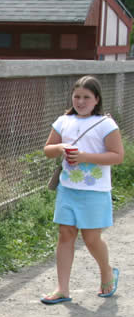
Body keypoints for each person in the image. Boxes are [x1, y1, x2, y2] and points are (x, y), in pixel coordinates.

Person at [41, 75, 124, 304]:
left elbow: (118, 156)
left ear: (96, 99)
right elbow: (47, 150)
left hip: (95, 191)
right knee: (65, 234)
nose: (81, 101)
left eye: (86, 97)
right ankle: (62, 289)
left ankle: (106, 271)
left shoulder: (105, 124)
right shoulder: (63, 121)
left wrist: (84, 156)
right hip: (68, 189)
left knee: (91, 238)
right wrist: (59, 147)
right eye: (77, 96)